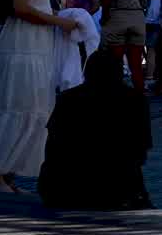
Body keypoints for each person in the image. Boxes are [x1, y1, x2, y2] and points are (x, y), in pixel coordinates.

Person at [0, 0, 79, 193]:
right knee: (18, 103)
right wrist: (58, 21)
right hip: (23, 40)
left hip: (39, 41)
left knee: (34, 104)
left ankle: (8, 173)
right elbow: (20, 7)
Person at [37, 50, 153, 210]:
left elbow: (53, 146)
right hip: (117, 191)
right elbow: (141, 149)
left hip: (65, 190)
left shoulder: (67, 99)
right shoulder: (135, 100)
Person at [100, 0, 149, 92]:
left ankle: (117, 95)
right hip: (138, 17)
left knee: (115, 62)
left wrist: (105, 16)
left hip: (118, 17)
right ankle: (140, 96)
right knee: (136, 64)